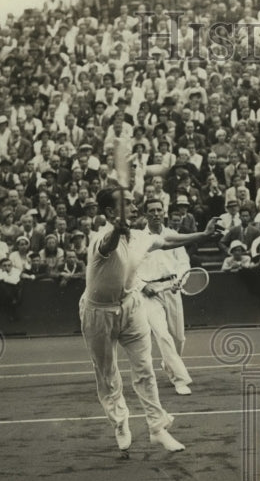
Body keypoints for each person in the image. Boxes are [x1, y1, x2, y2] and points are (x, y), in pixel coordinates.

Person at [80, 186, 221, 453]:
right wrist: (115, 231)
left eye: (134, 203)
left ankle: (157, 428)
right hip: (98, 313)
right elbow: (108, 245)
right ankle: (120, 421)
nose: (135, 208)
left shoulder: (139, 236)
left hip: (131, 306)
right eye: (127, 204)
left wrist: (203, 234)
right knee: (107, 375)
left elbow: (167, 242)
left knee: (145, 369)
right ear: (110, 212)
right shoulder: (100, 239)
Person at [137, 198, 213, 396]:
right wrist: (143, 286)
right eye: (151, 210)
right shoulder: (137, 239)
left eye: (159, 210)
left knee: (179, 337)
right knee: (162, 335)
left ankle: (170, 363)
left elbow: (183, 263)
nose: (155, 213)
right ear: (145, 214)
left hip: (172, 289)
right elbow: (130, 268)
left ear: (164, 213)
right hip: (149, 294)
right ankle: (180, 379)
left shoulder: (173, 236)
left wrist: (179, 280)